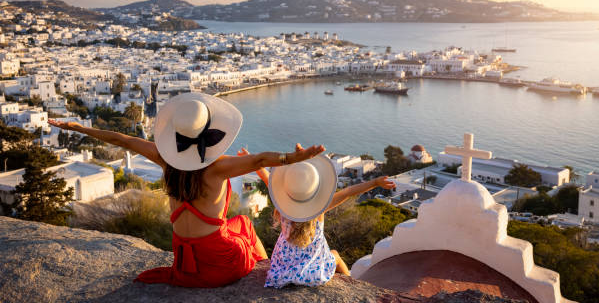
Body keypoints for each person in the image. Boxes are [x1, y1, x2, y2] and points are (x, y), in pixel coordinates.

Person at [49, 92, 324, 288]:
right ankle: (267, 277)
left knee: (236, 224)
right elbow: (260, 160)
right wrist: (292, 158)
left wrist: (76, 127)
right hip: (220, 266)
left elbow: (122, 140)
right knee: (244, 225)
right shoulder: (217, 167)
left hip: (185, 267)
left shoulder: (164, 158)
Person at [237, 147, 396, 288]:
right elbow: (349, 192)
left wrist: (248, 158)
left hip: (283, 269)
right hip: (313, 272)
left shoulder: (283, 206)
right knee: (335, 255)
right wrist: (375, 182)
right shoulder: (319, 209)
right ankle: (352, 284)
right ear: (314, 189)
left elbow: (265, 176)